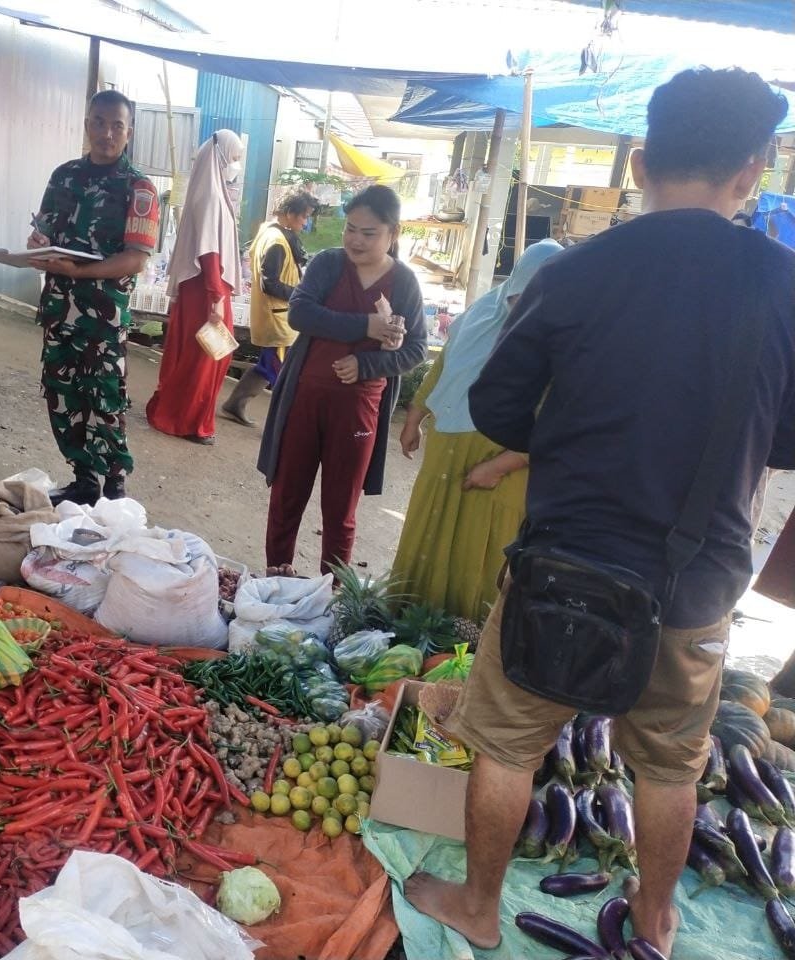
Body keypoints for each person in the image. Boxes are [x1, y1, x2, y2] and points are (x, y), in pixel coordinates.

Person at [405, 68, 794, 957]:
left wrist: (577, 425)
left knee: (508, 744)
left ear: (641, 161)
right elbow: (787, 439)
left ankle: (478, 907)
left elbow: (499, 408)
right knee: (670, 763)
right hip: (696, 578)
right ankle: (656, 921)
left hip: (561, 565)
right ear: (752, 170)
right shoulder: (782, 285)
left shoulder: (576, 272)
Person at [391, 240, 563, 621]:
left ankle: (462, 642)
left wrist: (498, 467)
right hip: (447, 449)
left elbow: (556, 419)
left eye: (532, 300)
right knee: (429, 531)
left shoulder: (560, 338)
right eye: (517, 297)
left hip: (502, 464)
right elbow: (445, 365)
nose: (521, 309)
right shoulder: (482, 312)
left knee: (477, 550)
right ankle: (407, 627)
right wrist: (415, 416)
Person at [257, 186, 426, 575]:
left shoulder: (403, 282)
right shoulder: (329, 264)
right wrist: (366, 325)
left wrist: (366, 364)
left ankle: (332, 592)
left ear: (393, 233)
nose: (356, 240)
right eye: (351, 229)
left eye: (369, 233)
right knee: (286, 498)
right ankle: (275, 580)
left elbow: (416, 349)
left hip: (358, 409)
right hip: (304, 398)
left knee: (341, 509)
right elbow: (300, 313)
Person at [28, 89, 160, 505]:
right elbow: (43, 231)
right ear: (87, 125)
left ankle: (114, 485)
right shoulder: (64, 176)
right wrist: (37, 245)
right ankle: (83, 478)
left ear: (128, 132)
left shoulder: (139, 188)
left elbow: (135, 259)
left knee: (104, 396)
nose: (107, 133)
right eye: (99, 123)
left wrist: (81, 272)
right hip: (59, 308)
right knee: (62, 392)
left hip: (103, 315)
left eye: (117, 126)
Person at [145, 130, 244, 444]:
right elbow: (209, 250)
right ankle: (186, 421)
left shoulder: (213, 192)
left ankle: (187, 416)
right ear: (220, 155)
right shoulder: (210, 196)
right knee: (206, 357)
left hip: (207, 288)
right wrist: (216, 298)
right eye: (234, 157)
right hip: (207, 289)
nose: (236, 164)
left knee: (209, 354)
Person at [222, 191, 318, 426]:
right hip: (278, 319)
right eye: (304, 216)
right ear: (290, 213)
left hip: (278, 317)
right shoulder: (276, 241)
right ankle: (283, 421)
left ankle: (236, 404)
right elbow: (270, 284)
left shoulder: (273, 234)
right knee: (279, 371)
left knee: (269, 367)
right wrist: (300, 294)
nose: (305, 222)